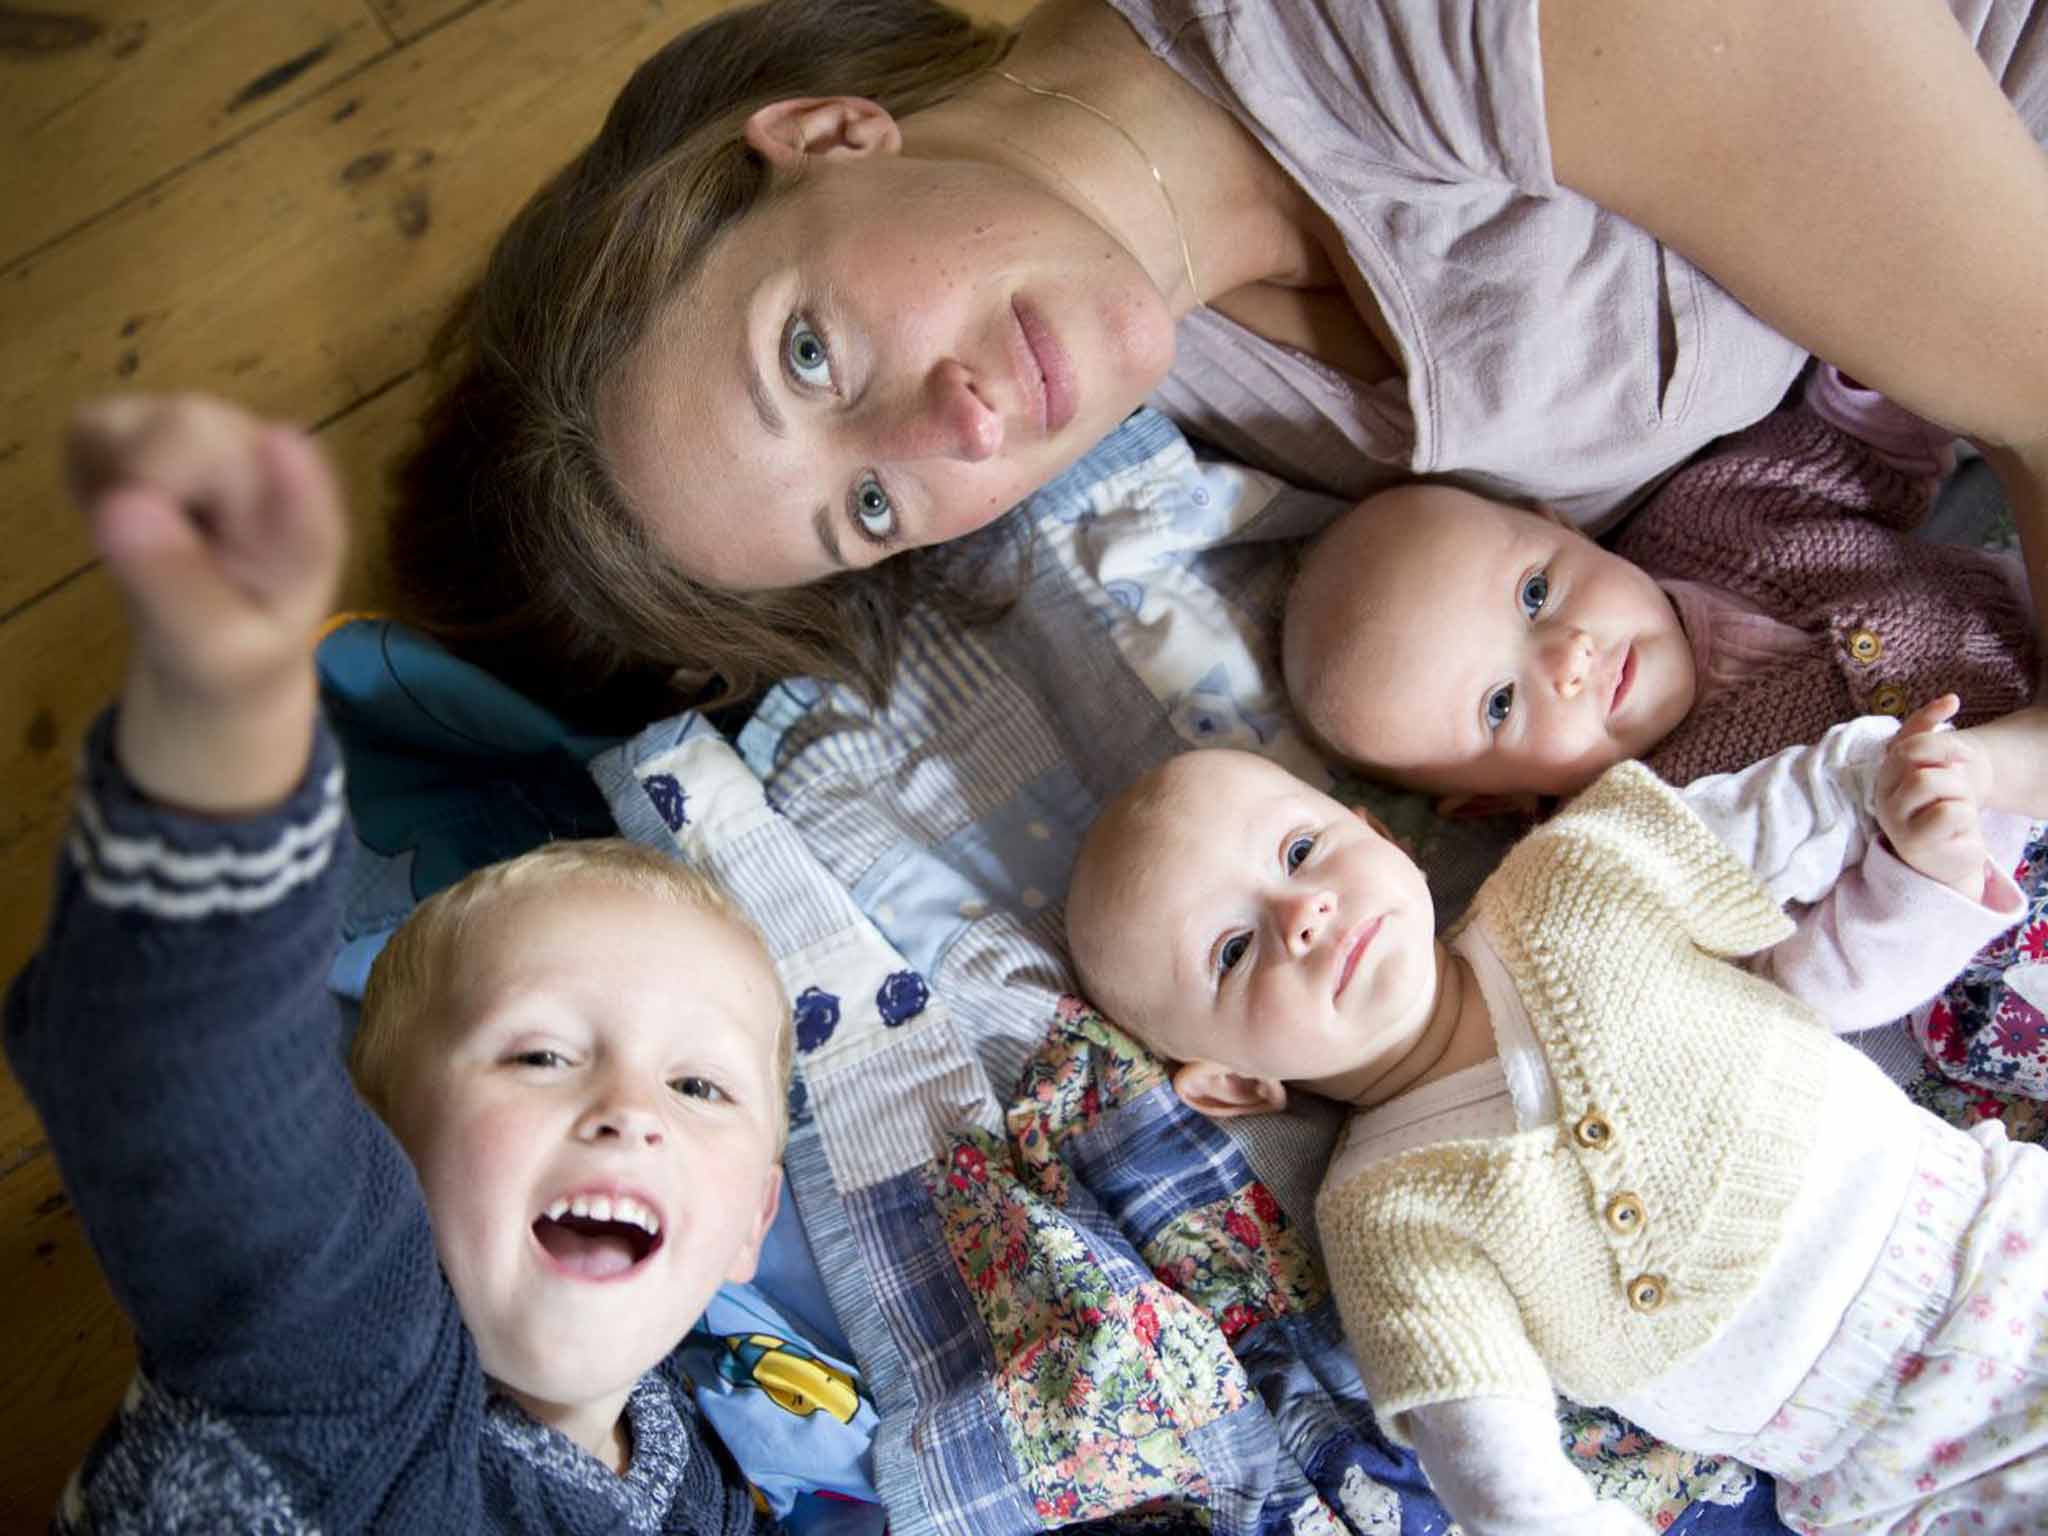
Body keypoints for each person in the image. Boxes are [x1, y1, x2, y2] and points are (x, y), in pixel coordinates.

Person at [387, 0, 2048, 721]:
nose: (950, 427)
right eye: (874, 506)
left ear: (826, 134)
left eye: (810, 353)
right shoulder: (1174, 385)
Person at [4, 395, 793, 1531]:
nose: (631, 1113)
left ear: (751, 1224)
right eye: (540, 1054)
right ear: (372, 1136)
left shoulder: (702, 1488)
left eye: (699, 1085)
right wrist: (223, 768)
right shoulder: (346, 1367)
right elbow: (198, 1091)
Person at [1061, 728, 2048, 1532]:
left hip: (1997, 1244)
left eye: (1300, 852)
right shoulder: (1382, 1214)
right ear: (1232, 1084)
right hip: (1883, 1467)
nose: (1303, 912)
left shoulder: (1577, 868)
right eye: (1233, 950)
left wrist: (1897, 782)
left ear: (1378, 835)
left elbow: (1801, 800)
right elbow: (1490, 1461)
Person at [1281, 364, 2047, 1094]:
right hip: (1990, 939)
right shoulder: (1632, 852)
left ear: (1564, 527)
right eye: (1501, 705)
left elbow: (1861, 444)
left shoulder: (1712, 518)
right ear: (1494, 802)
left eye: (1537, 592)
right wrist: (1923, 868)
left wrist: (1887, 369)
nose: (1567, 656)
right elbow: (1805, 989)